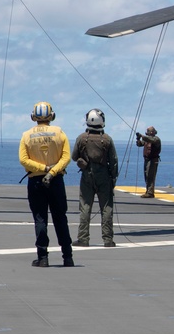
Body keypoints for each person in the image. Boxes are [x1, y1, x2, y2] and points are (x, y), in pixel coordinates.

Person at [19, 101, 74, 268]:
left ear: (33, 117)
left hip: (36, 181)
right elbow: (66, 158)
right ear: (52, 115)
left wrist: (42, 168)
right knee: (60, 218)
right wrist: (52, 172)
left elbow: (23, 160)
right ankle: (67, 257)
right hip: (55, 180)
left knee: (40, 219)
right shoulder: (59, 133)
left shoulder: (26, 135)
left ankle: (42, 257)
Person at [71, 108, 119, 248]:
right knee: (106, 208)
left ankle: (83, 238)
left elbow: (74, 157)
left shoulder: (81, 138)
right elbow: (114, 161)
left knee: (85, 207)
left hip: (87, 175)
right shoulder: (107, 139)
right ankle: (108, 239)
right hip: (104, 176)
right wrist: (113, 178)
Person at [135, 125, 161, 198]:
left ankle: (150, 192)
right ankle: (148, 191)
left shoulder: (156, 139)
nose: (147, 133)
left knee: (150, 175)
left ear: (152, 132)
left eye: (148, 131)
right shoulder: (146, 140)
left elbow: (151, 140)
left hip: (153, 159)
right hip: (147, 159)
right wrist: (138, 139)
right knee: (146, 175)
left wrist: (142, 136)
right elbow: (140, 144)